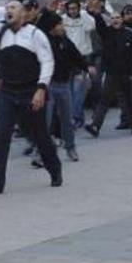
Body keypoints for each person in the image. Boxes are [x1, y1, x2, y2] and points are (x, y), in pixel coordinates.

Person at [0, 0, 62, 196]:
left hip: (30, 93)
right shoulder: (2, 33)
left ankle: (54, 170)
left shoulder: (35, 34)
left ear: (24, 13)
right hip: (7, 93)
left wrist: (41, 88)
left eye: (14, 7)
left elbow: (47, 62)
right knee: (0, 137)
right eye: (7, 7)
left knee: (40, 136)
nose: (9, 10)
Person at [84, 8, 132, 137]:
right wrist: (96, 14)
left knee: (129, 99)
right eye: (113, 18)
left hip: (125, 73)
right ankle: (95, 126)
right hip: (111, 73)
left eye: (118, 18)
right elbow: (100, 26)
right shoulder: (107, 33)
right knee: (104, 100)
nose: (115, 20)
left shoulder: (129, 35)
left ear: (122, 20)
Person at [46, 13, 89, 162]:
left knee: (67, 119)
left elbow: (76, 56)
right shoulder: (44, 41)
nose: (62, 27)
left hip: (64, 85)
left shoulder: (65, 41)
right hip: (48, 85)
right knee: (46, 120)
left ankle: (70, 148)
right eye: (59, 24)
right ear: (52, 27)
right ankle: (43, 152)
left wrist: (86, 68)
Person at [62, 0, 96, 128]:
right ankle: (75, 117)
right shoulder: (63, 20)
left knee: (78, 91)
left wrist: (84, 11)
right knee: (68, 91)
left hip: (82, 59)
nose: (73, 11)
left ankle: (76, 118)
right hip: (67, 60)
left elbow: (92, 25)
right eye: (70, 9)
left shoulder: (84, 19)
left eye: (75, 8)